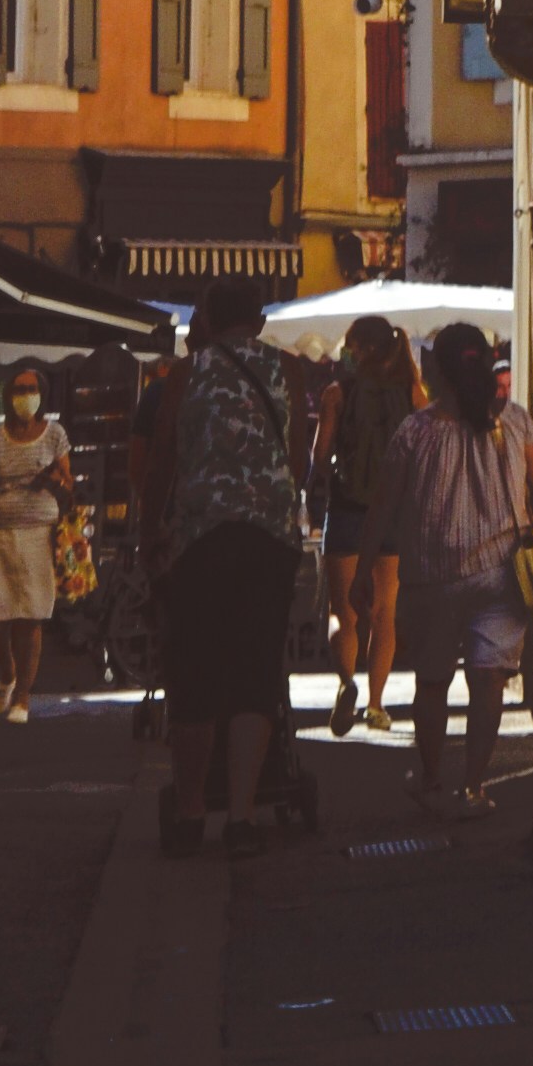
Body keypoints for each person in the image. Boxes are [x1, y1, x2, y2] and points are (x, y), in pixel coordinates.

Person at [363, 321, 533, 817]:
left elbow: (383, 506)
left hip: (432, 575)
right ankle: (474, 785)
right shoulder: (515, 421)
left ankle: (430, 779)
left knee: (432, 682)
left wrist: (365, 568)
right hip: (502, 576)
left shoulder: (416, 431)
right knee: (488, 682)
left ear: (440, 372)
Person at [147, 290, 302, 855]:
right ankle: (241, 817)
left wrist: (149, 533)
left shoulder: (187, 374)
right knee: (255, 669)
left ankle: (191, 812)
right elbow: (297, 458)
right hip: (270, 536)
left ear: (207, 320)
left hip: (202, 535)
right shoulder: (287, 369)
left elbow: (163, 454)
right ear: (260, 321)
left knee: (197, 672)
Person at [316, 311, 420, 733]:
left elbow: (321, 456)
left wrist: (311, 493)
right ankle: (377, 705)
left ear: (361, 348)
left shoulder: (336, 393)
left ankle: (346, 682)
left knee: (343, 612)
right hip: (393, 514)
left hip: (345, 510)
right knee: (385, 613)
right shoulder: (412, 392)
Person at [0, 365, 73, 720]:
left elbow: (68, 485)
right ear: (9, 396)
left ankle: (23, 696)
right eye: (19, 388)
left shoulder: (55, 435)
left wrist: (54, 481)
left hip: (38, 532)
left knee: (29, 615)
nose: (25, 395)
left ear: (41, 394)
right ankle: (7, 675)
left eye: (31, 388)